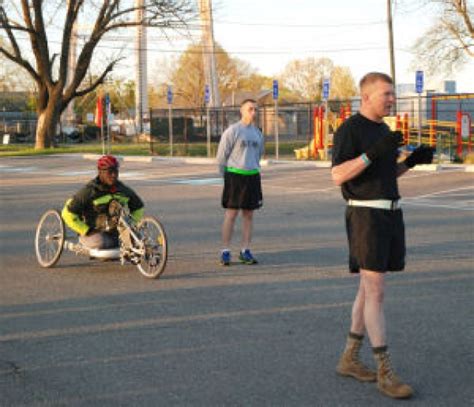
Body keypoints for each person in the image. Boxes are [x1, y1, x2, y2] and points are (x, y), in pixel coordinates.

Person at [331, 72, 434, 399]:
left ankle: (349, 358)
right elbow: (337, 175)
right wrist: (372, 153)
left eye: (392, 94)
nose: (392, 99)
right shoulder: (350, 129)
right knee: (375, 291)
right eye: (386, 94)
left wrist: (411, 162)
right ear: (367, 96)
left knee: (367, 288)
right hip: (365, 215)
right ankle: (384, 371)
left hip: (390, 213)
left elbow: (385, 173)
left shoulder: (384, 130)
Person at [216, 98, 264, 266]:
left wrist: (253, 169)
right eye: (250, 109)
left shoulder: (258, 133)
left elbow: (259, 155)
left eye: (255, 109)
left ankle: (245, 250)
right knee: (231, 214)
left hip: (252, 176)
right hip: (235, 177)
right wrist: (226, 178)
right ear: (242, 111)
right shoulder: (233, 131)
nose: (254, 112)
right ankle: (225, 251)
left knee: (249, 215)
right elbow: (222, 156)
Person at [62, 155, 144, 250]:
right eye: (110, 172)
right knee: (102, 242)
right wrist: (86, 230)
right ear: (100, 172)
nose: (114, 175)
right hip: (93, 233)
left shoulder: (123, 190)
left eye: (116, 171)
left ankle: (119, 243)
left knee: (139, 239)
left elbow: (138, 207)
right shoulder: (89, 191)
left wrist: (132, 224)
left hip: (116, 232)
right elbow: (67, 214)